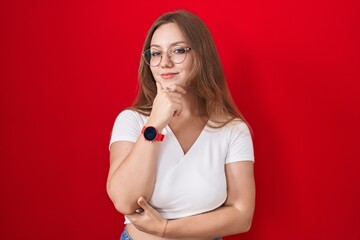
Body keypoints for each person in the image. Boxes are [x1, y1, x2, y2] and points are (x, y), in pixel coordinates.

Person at [107, 10, 255, 240]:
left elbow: (241, 215)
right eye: (156, 53)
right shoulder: (132, 120)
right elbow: (124, 200)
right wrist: (155, 124)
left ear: (201, 56)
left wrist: (166, 229)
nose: (165, 63)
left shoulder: (232, 130)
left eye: (178, 50)